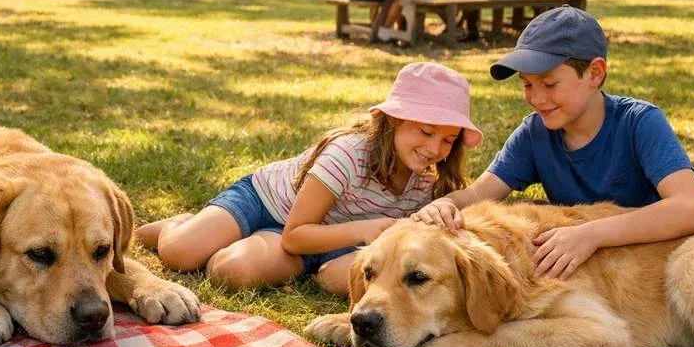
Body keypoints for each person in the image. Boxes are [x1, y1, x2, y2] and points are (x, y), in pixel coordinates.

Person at [411, 6, 694, 280]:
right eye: (527, 84)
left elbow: (690, 207)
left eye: (550, 84)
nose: (536, 98)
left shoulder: (640, 122)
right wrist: (446, 204)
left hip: (648, 273)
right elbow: (479, 193)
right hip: (588, 275)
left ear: (594, 74)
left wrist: (590, 234)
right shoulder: (534, 133)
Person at [135, 62, 484, 294]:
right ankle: (181, 225)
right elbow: (295, 234)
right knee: (181, 253)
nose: (435, 148)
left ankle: (238, 241)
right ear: (394, 119)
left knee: (231, 272)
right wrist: (367, 228)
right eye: (426, 131)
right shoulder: (348, 154)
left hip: (323, 241)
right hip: (271, 206)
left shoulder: (431, 182)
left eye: (448, 139)